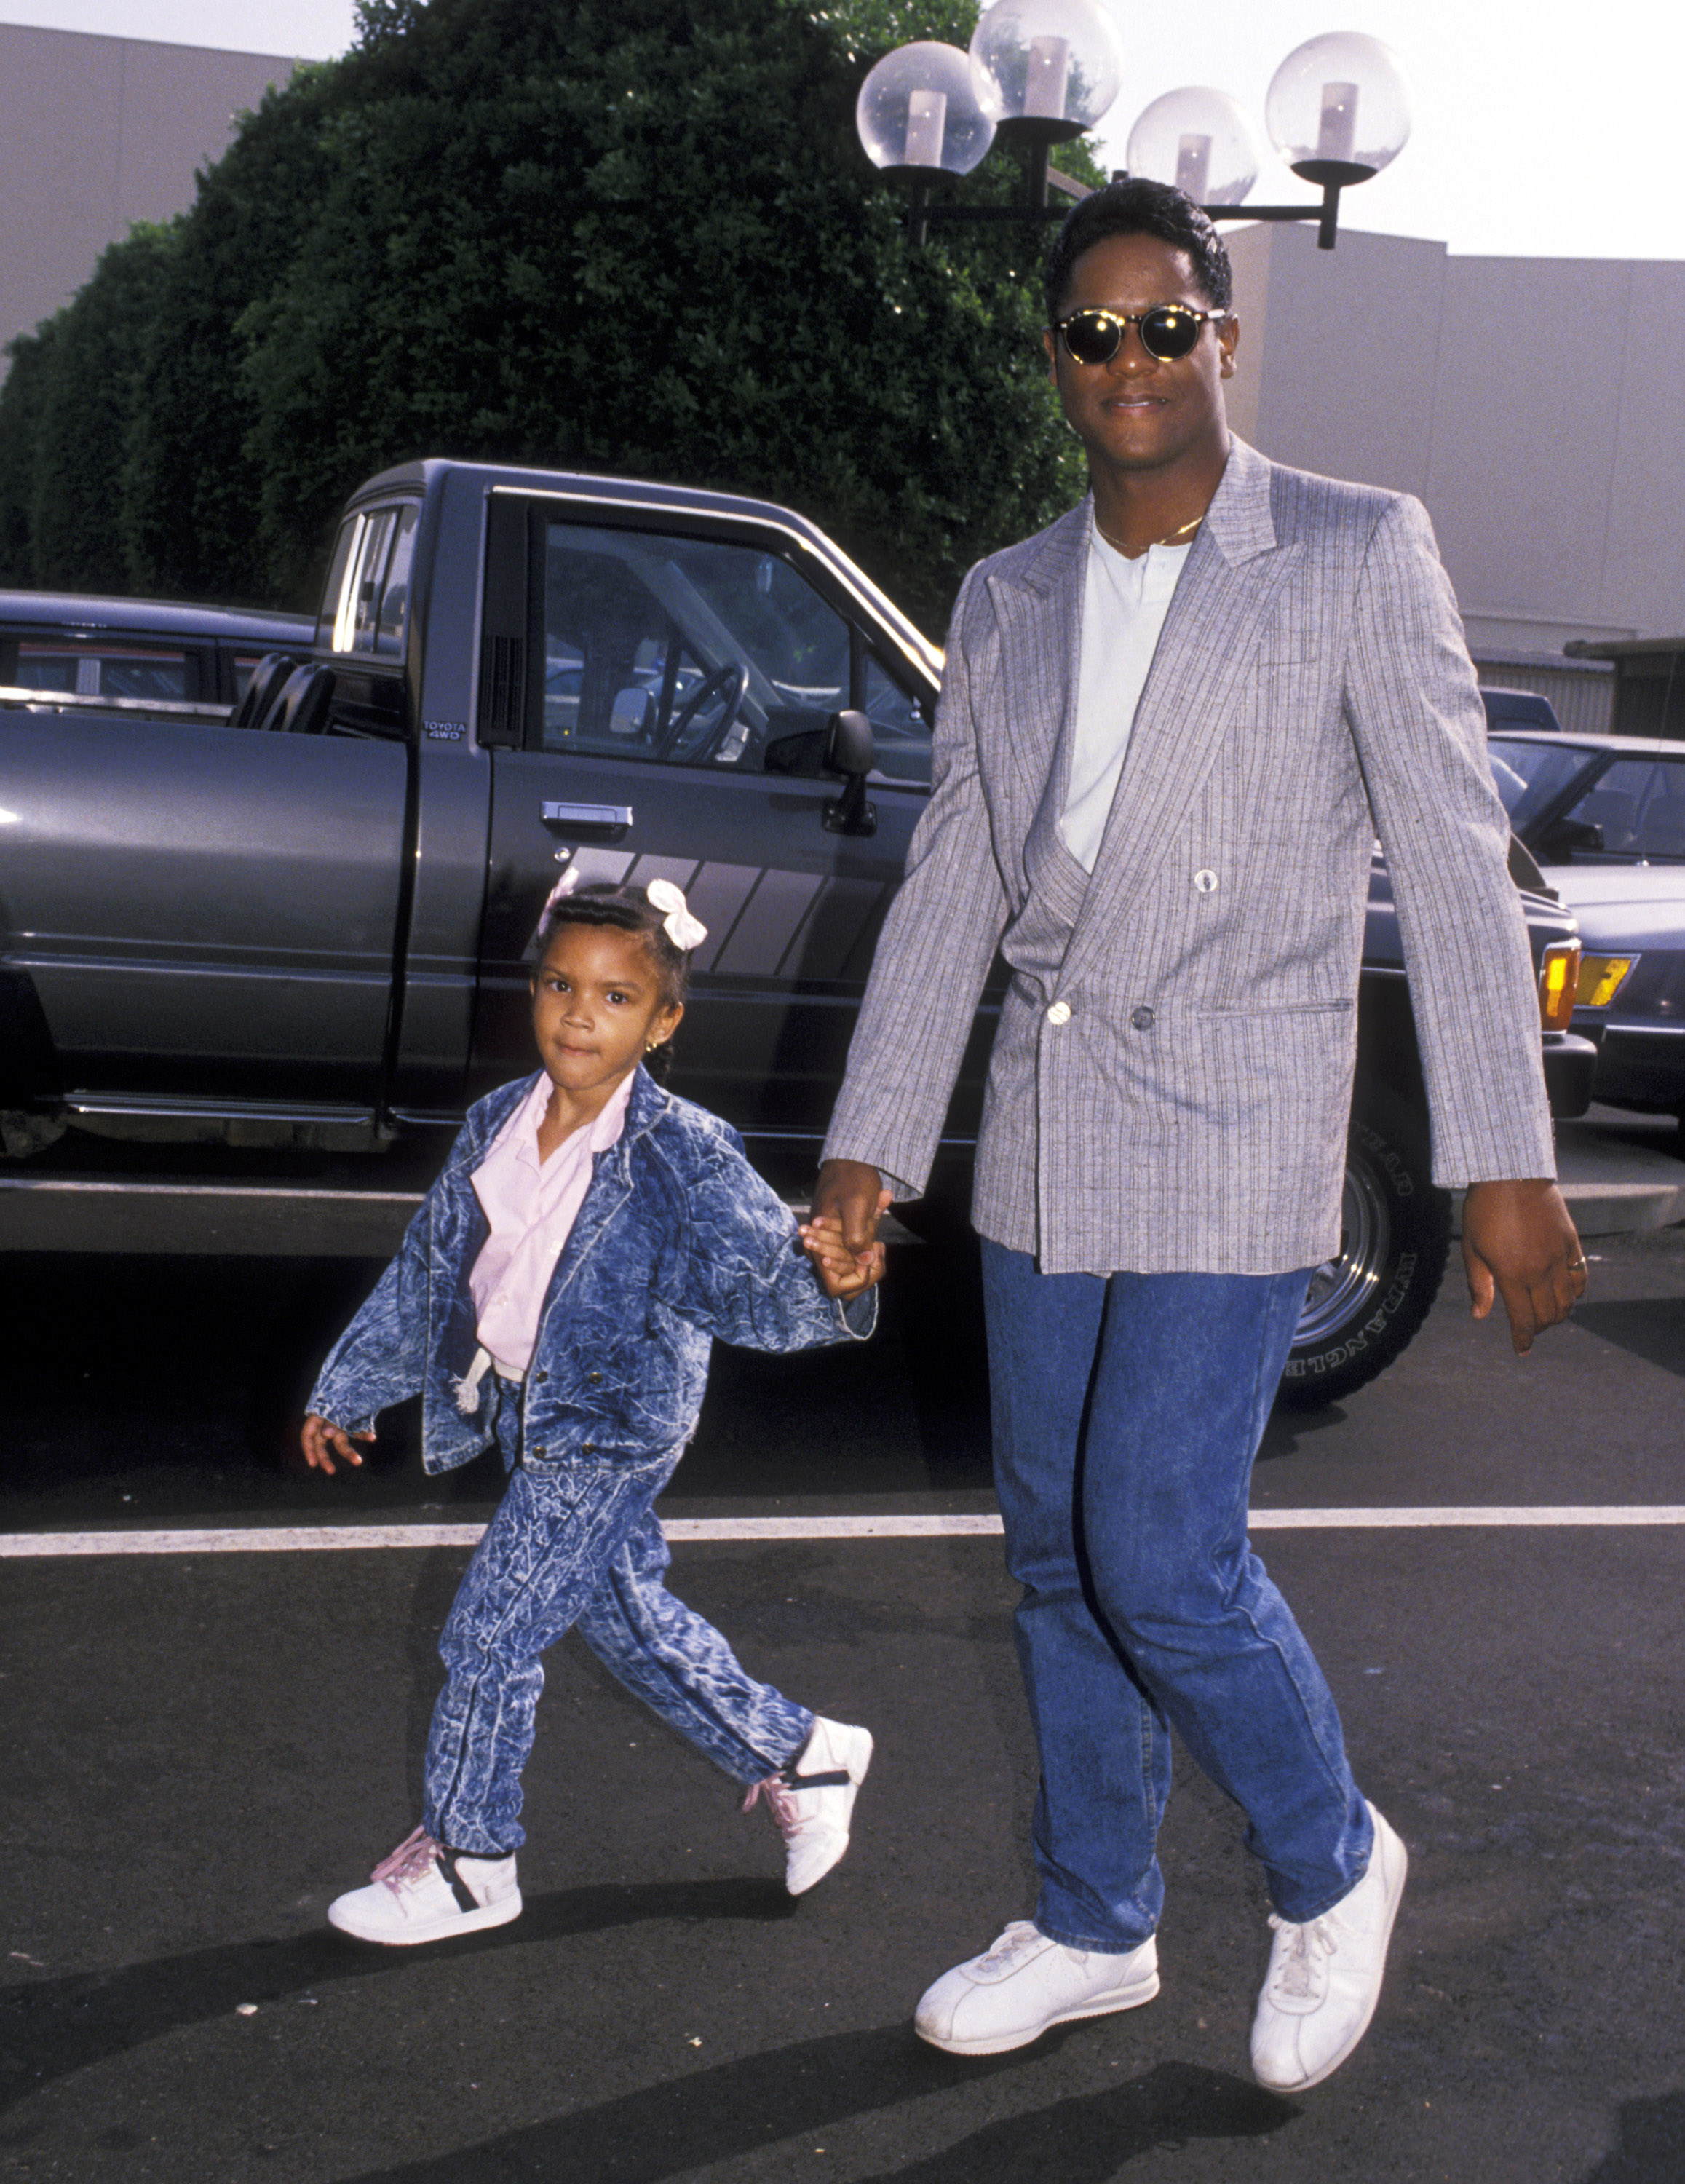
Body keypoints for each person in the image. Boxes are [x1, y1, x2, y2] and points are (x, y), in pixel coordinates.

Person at [812, 178, 1587, 2093]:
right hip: (1050, 1120)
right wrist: (870, 1143)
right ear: (1055, 360)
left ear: (1224, 339)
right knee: (1053, 1554)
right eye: (1095, 333)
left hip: (1239, 1122)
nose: (1134, 361)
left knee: (1158, 1548)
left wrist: (1505, 1159)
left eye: (1169, 324)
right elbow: (955, 880)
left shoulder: (1349, 549)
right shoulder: (1005, 595)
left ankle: (1331, 1862)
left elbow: (1455, 863)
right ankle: (1095, 1917)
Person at [304, 875, 883, 1947]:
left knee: (489, 1636)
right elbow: (433, 1267)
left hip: (611, 1431)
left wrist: (831, 1283)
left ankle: (474, 1863)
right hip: (524, 1410)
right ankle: (803, 1753)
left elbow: (759, 1291)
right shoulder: (497, 1121)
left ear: (663, 1022)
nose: (580, 1015)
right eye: (561, 986)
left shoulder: (682, 1153)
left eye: (617, 998)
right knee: (623, 1619)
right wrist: (352, 1383)